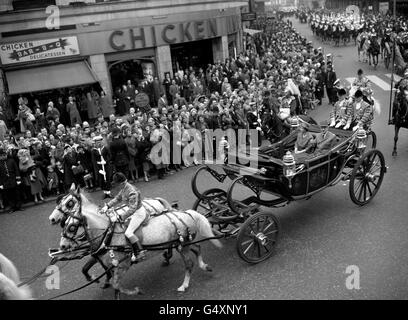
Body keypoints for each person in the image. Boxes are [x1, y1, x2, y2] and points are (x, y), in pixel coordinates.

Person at [103, 172, 147, 262]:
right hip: (131, 212)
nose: (116, 186)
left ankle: (140, 251)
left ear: (122, 183)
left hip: (138, 213)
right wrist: (107, 206)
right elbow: (117, 198)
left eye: (117, 184)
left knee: (128, 233)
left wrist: (120, 217)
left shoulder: (131, 192)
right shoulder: (124, 188)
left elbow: (132, 209)